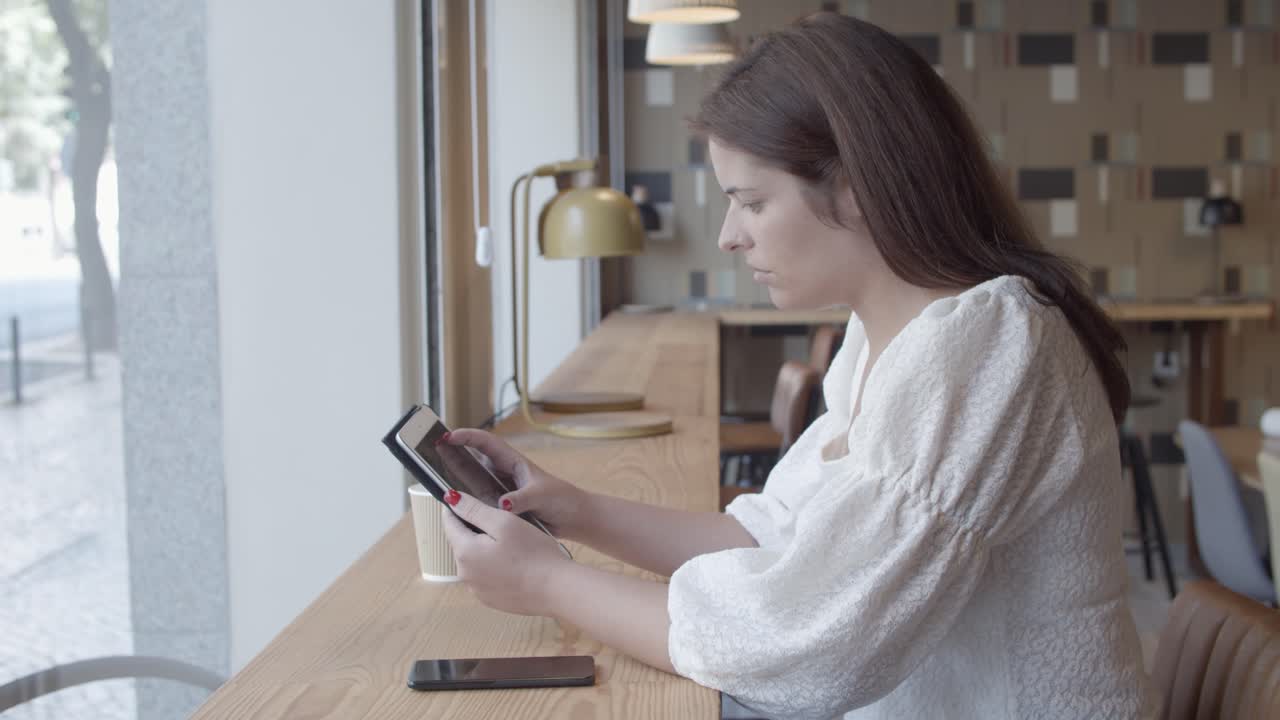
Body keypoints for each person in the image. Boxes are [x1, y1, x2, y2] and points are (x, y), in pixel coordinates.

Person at [437, 12, 1156, 719]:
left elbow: (815, 648)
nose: (727, 236)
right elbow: (779, 533)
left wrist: (548, 583)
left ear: (855, 187)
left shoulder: (993, 346)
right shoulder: (888, 339)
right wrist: (575, 511)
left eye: (751, 202)